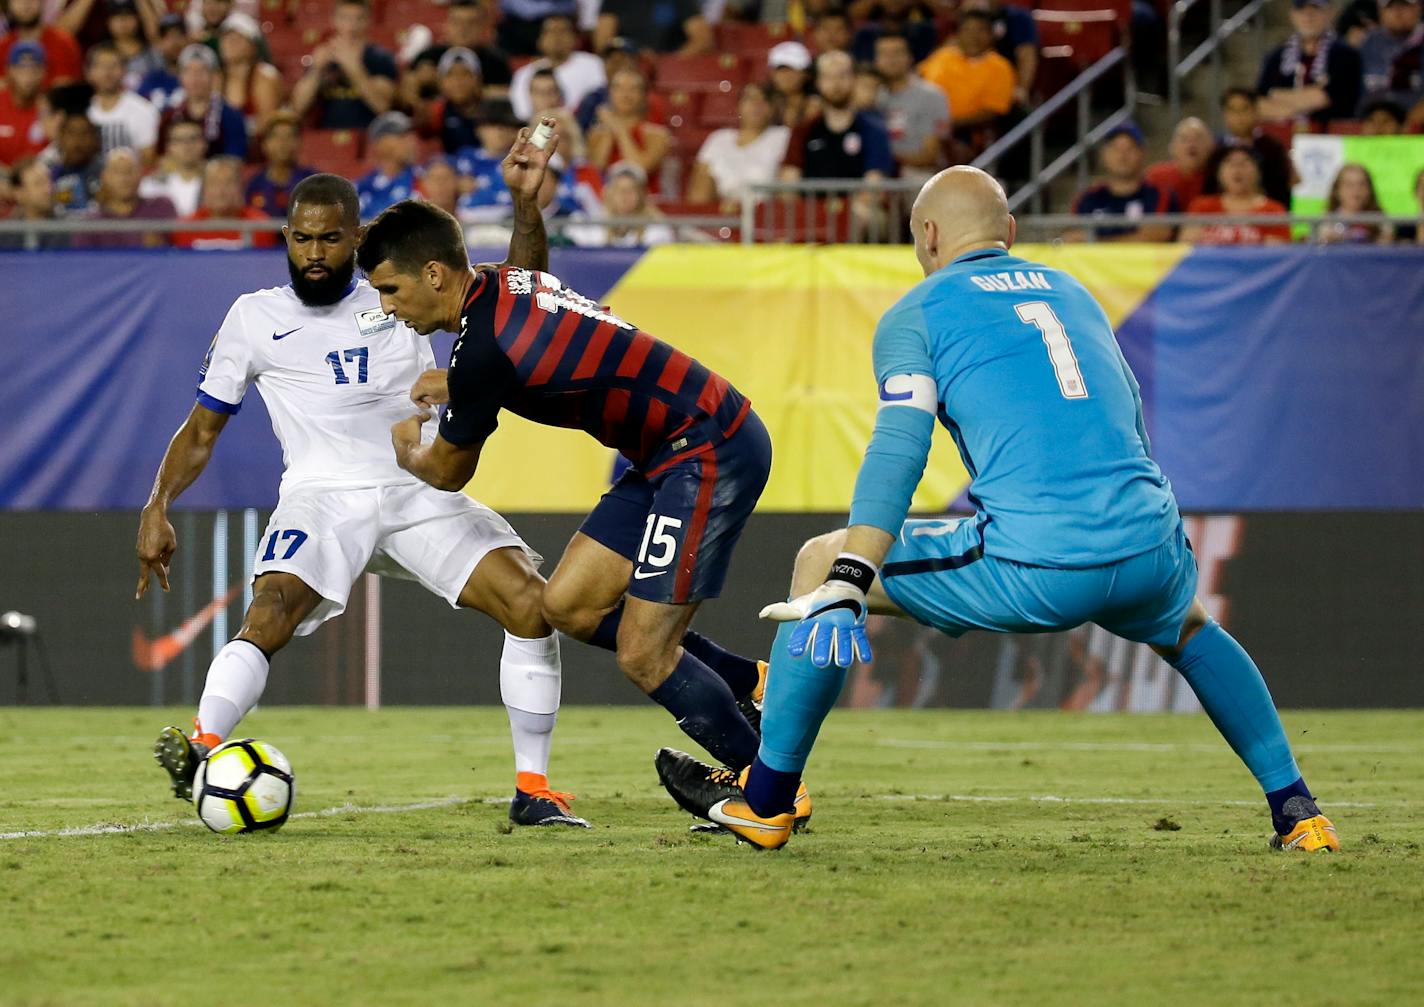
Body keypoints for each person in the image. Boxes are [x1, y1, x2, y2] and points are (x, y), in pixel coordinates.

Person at [654, 164, 1339, 857]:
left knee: (819, 561)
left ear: (926, 235)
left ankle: (767, 800)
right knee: (1191, 630)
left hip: (1040, 557)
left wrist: (853, 575)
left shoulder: (917, 314)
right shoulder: (1072, 292)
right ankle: (1299, 810)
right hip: (1150, 540)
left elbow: (900, 446)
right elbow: (1129, 409)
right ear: (1008, 232)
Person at [355, 128, 790, 815]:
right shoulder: (501, 286)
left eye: (389, 288)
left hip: (707, 447)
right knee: (565, 605)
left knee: (645, 654)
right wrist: (527, 204)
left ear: (434, 274)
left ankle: (768, 794)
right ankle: (749, 682)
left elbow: (447, 473)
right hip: (662, 452)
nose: (385, 307)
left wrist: (407, 444)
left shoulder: (478, 353)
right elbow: (526, 281)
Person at [140, 166, 590, 829]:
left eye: (328, 239)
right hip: (321, 495)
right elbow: (202, 429)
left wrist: (526, 209)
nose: (314, 254)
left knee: (530, 603)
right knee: (269, 608)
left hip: (417, 486)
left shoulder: (400, 290)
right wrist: (158, 504)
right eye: (300, 238)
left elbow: (515, 298)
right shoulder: (254, 317)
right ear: (286, 237)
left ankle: (534, 788)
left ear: (356, 237)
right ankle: (201, 747)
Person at [780, 50, 895, 184]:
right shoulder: (803, 130)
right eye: (828, 77)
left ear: (854, 79)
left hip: (858, 204)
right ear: (818, 82)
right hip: (813, 204)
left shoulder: (874, 130)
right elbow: (790, 182)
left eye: (842, 76)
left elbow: (875, 183)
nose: (836, 84)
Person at [291, 0, 397, 130]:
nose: (351, 26)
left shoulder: (380, 58)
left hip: (369, 136)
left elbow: (383, 107)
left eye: (359, 19)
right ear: (334, 20)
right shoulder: (324, 56)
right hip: (328, 137)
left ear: (368, 20)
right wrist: (316, 70)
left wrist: (354, 69)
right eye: (344, 18)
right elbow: (298, 108)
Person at [1257, 0, 1363, 126]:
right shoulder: (1276, 57)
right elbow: (1260, 103)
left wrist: (1276, 95)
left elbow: (1324, 98)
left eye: (1315, 9)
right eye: (1301, 10)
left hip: (1330, 136)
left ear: (1330, 13)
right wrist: (1306, 103)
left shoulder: (1345, 55)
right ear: (1292, 15)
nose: (1308, 16)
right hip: (1285, 136)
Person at [687, 81, 790, 209]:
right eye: (750, 99)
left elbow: (788, 185)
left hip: (765, 217)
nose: (757, 105)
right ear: (738, 105)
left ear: (773, 108)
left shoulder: (783, 136)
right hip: (723, 213)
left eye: (765, 100)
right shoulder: (719, 138)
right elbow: (699, 191)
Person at [917, 11, 1016, 141]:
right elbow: (914, 80)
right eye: (967, 30)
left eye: (980, 30)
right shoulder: (943, 55)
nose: (973, 36)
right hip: (921, 123)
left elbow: (992, 112)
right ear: (957, 35)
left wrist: (948, 124)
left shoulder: (1001, 67)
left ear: (991, 35)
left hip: (966, 133)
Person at [1068, 123, 1176, 242]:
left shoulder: (1159, 194)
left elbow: (1155, 237)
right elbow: (1072, 238)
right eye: (1115, 148)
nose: (1122, 156)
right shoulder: (1088, 198)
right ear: (1104, 155)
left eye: (1130, 148)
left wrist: (1095, 241)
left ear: (1142, 153)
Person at [872, 30, 950, 188]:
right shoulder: (873, 96)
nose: (890, 60)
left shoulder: (931, 95)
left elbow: (930, 155)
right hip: (880, 174)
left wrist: (887, 157)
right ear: (876, 61)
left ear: (909, 57)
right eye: (884, 54)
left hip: (918, 174)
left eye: (896, 53)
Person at [1181, 145, 1291, 246]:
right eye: (1230, 163)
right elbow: (1187, 246)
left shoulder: (1273, 210)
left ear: (1258, 171)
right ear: (1219, 173)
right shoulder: (1201, 206)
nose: (1237, 170)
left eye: (1244, 163)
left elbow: (1276, 255)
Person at [71, 145, 175, 247]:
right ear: (104, 177)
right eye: (117, 172)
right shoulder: (89, 225)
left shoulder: (161, 207)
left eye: (129, 171)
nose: (124, 178)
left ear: (141, 174)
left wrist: (159, 248)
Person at [586, 67, 670, 193]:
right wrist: (610, 130)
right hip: (605, 203)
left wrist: (618, 129)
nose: (626, 94)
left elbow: (640, 169)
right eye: (619, 88)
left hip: (645, 203)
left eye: (633, 89)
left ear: (644, 95)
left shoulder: (658, 135)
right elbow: (596, 171)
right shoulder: (596, 134)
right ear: (610, 93)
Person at [509, 14, 605, 122]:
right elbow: (522, 114)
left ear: (575, 38)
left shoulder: (593, 64)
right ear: (540, 40)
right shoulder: (525, 74)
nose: (557, 37)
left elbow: (601, 102)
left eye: (563, 31)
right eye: (550, 31)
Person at [172, 154, 278, 248]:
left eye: (228, 183)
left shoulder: (261, 227)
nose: (221, 191)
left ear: (240, 188)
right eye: (215, 183)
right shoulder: (185, 228)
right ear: (204, 190)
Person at [162, 43, 247, 158]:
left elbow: (235, 159)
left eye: (202, 71)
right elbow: (163, 159)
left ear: (214, 75)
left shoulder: (231, 116)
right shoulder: (169, 116)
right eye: (188, 71)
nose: (195, 78)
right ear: (180, 76)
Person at [569, 159, 675, 246]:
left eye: (632, 190)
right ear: (609, 194)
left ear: (642, 195)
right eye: (619, 190)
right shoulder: (595, 226)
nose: (625, 196)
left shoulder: (656, 228)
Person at [574, 35, 667, 134]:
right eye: (611, 60)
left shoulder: (650, 100)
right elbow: (579, 136)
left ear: (635, 63)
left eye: (622, 59)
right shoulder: (592, 99)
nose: (616, 64)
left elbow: (656, 136)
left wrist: (614, 124)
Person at [86, 40, 160, 160]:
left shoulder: (143, 110)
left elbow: (148, 159)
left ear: (124, 70)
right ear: (89, 72)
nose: (107, 72)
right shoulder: (83, 110)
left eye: (113, 66)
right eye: (101, 66)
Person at [1219, 87, 1293, 207]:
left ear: (1256, 111)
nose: (1239, 116)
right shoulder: (1218, 150)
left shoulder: (1272, 148)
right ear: (1224, 114)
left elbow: (1281, 190)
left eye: (1244, 109)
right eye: (1232, 110)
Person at [962, 0, 1039, 109]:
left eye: (981, 30)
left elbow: (1027, 56)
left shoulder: (1017, 18)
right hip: (970, 83)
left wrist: (1022, 88)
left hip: (1004, 86)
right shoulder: (967, 15)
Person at [218, 11, 281, 136]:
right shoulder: (216, 77)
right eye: (226, 38)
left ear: (253, 46)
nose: (229, 43)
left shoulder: (265, 77)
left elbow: (268, 123)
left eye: (237, 39)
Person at [245, 111, 315, 218]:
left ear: (299, 143)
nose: (283, 142)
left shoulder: (312, 182)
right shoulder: (253, 185)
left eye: (290, 136)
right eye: (276, 137)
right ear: (264, 144)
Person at [0, 0, 83, 86]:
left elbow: (68, 89)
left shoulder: (64, 43)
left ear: (43, 3)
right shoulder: (2, 48)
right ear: (8, 5)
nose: (25, 4)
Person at [356, 110, 418, 219]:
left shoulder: (423, 179)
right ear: (380, 143)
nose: (411, 141)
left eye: (410, 136)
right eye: (402, 136)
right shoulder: (361, 189)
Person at [1144, 117, 1214, 213]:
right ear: (1172, 147)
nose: (1191, 144)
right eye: (1185, 139)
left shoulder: (1220, 177)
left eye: (1198, 138)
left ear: (1211, 146)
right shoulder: (1155, 176)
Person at [138, 116, 205, 215]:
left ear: (203, 144)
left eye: (193, 139)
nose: (187, 146)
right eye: (179, 140)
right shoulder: (153, 184)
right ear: (170, 147)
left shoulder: (216, 183)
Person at [423, 46, 484, 155]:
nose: (458, 81)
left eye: (465, 74)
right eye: (450, 75)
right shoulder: (436, 112)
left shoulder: (491, 111)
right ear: (441, 82)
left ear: (478, 79)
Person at [594, 0, 714, 55]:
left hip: (668, 70)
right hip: (627, 67)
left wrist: (667, 62)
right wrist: (634, 57)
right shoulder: (614, 2)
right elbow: (603, 42)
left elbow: (703, 39)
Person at [1358, 0, 1421, 103]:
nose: (1398, 12)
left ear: (1418, 8)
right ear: (1380, 11)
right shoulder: (1368, 43)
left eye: (1404, 5)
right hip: (1373, 114)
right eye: (1390, 6)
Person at [0, 154, 68, 247]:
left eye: (48, 181)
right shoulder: (5, 235)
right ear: (18, 193)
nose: (48, 189)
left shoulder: (68, 230)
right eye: (38, 183)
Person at [0, 40, 48, 168]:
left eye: (34, 67)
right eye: (21, 67)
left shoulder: (51, 109)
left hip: (40, 179)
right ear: (9, 70)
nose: (28, 74)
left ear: (44, 71)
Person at [1318, 162, 1393, 243]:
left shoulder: (1380, 221)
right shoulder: (1326, 221)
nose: (1356, 191)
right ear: (1337, 191)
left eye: (1362, 185)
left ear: (1370, 190)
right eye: (1349, 185)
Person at [46, 109, 102, 213]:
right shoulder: (47, 170)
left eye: (85, 134)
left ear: (94, 140)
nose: (78, 141)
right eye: (72, 133)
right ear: (61, 138)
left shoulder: (105, 173)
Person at [133, 12, 186, 109]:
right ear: (159, 43)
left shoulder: (199, 78)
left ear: (188, 38)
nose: (174, 42)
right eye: (167, 37)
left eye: (179, 35)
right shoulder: (151, 80)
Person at [768, 40, 816, 128]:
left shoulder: (816, 106)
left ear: (806, 73)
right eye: (781, 69)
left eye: (792, 69)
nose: (786, 75)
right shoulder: (766, 106)